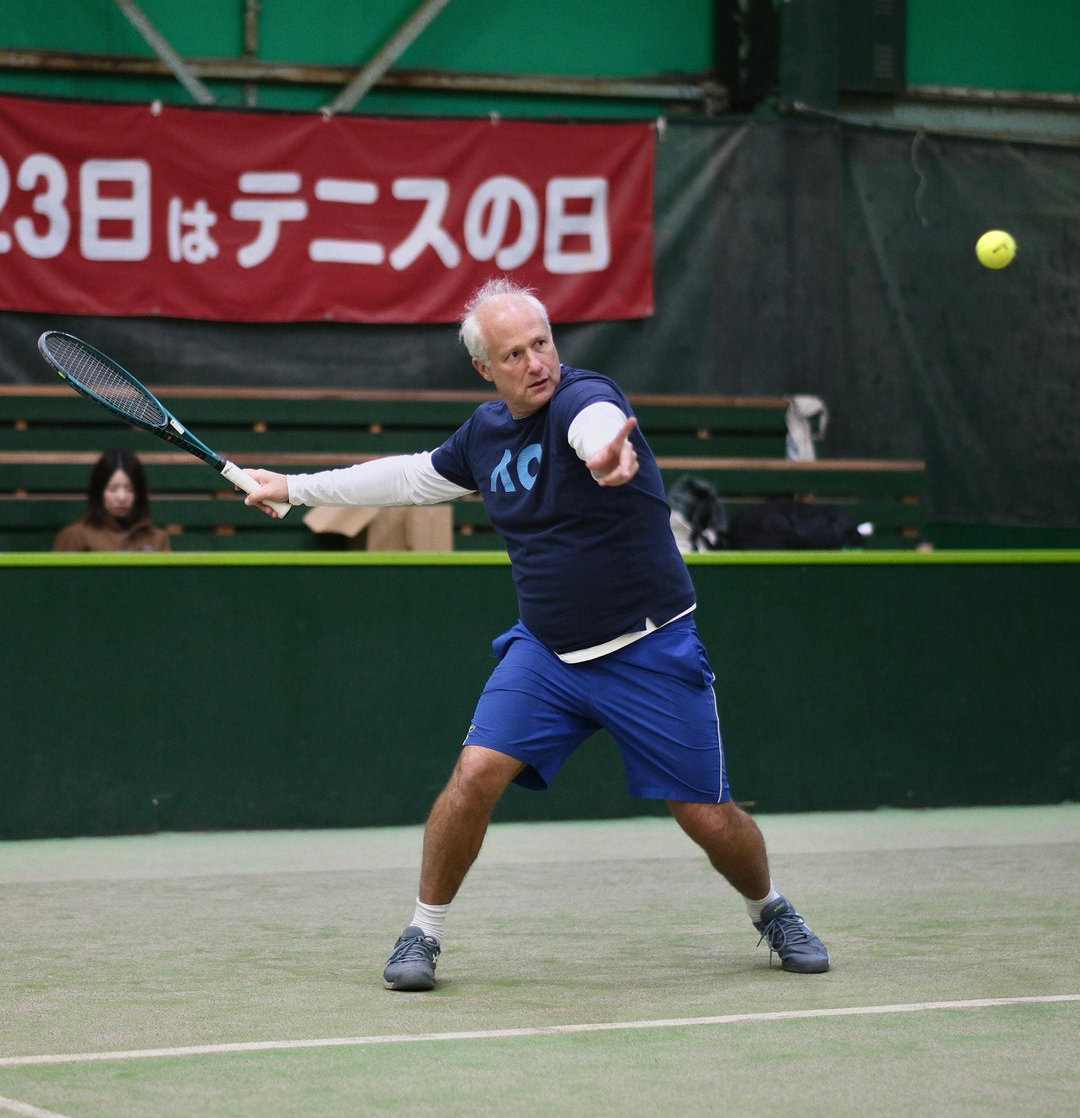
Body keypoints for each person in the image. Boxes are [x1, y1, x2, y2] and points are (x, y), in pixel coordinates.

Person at [244, 279, 829, 990]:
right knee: (473, 775)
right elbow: (410, 477)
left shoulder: (586, 399)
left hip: (649, 647)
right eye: (513, 354)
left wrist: (607, 455)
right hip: (547, 653)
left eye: (542, 343)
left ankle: (771, 910)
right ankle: (422, 933)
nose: (536, 363)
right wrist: (293, 488)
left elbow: (596, 427)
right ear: (484, 369)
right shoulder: (484, 434)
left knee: (706, 816)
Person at [53, 448, 171, 553]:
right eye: (113, 489)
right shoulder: (76, 536)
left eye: (130, 489)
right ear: (99, 491)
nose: (121, 497)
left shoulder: (157, 539)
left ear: (139, 493)